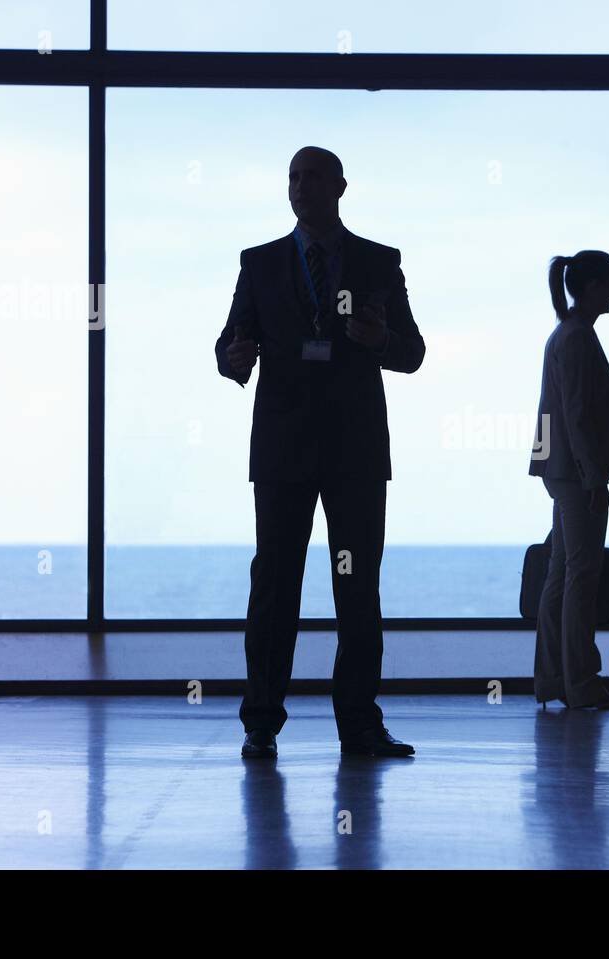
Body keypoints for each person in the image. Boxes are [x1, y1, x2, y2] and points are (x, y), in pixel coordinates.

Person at [215, 145, 426, 757]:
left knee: (357, 590)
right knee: (275, 586)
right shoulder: (258, 264)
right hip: (283, 451)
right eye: (293, 177)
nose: (301, 186)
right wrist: (233, 362)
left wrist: (380, 337)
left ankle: (359, 724)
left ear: (340, 186)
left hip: (354, 452)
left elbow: (411, 352)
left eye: (312, 177)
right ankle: (261, 722)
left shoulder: (379, 262)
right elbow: (231, 343)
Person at [528, 251, 609, 710]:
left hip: (561, 470)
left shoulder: (569, 335)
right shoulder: (576, 339)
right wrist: (596, 477)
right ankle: (581, 681)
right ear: (590, 286)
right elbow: (577, 414)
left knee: (562, 573)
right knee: (581, 574)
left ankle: (554, 678)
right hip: (576, 474)